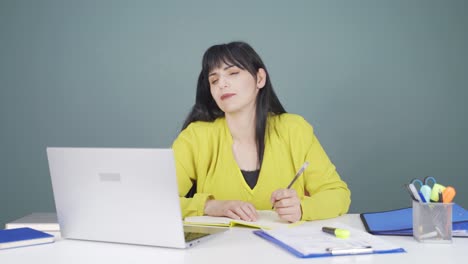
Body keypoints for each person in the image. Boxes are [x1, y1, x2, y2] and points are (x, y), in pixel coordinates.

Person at [172, 41, 350, 223]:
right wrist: (211, 206)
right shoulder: (195, 137)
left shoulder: (294, 129)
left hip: (285, 249)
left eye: (233, 73)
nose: (222, 84)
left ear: (260, 79)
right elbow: (156, 200)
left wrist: (302, 209)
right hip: (219, 249)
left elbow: (338, 194)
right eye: (214, 80)